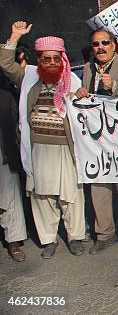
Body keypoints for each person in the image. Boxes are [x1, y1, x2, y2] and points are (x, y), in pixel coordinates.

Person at [0, 21, 84, 259]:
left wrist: (78, 97)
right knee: (42, 196)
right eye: (45, 58)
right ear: (40, 59)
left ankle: (75, 237)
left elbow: (81, 111)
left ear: (62, 58)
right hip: (38, 148)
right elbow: (5, 63)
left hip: (66, 148)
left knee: (71, 195)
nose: (51, 63)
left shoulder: (72, 81)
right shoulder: (28, 76)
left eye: (55, 58)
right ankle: (48, 240)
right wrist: (15, 36)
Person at [75, 28, 118, 256]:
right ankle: (105, 234)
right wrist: (81, 92)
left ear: (114, 45)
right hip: (96, 140)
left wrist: (115, 88)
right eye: (96, 44)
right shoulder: (87, 69)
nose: (101, 47)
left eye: (105, 43)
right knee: (98, 184)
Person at [0, 83, 27, 262]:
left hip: (4, 153)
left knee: (10, 198)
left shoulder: (5, 97)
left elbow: (16, 127)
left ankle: (14, 242)